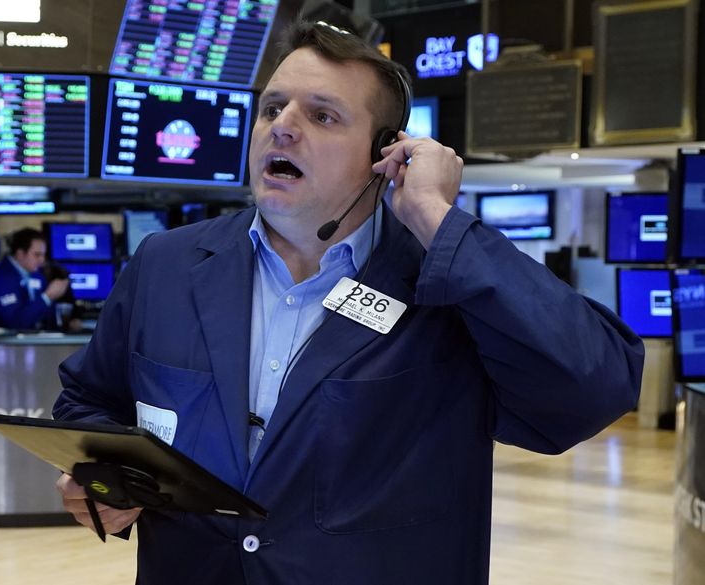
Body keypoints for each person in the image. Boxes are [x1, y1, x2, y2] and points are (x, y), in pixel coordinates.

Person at [52, 21, 644, 584]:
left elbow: (595, 387)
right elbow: (89, 400)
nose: (282, 126)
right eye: (271, 108)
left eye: (322, 115)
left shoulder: (444, 287)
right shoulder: (168, 265)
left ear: (386, 154)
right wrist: (107, 479)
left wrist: (438, 219)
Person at [0, 227, 69, 330]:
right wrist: (48, 296)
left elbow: (46, 313)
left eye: (43, 255)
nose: (42, 260)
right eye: (37, 255)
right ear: (20, 254)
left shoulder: (35, 273)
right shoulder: (1, 280)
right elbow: (15, 323)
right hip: (8, 344)